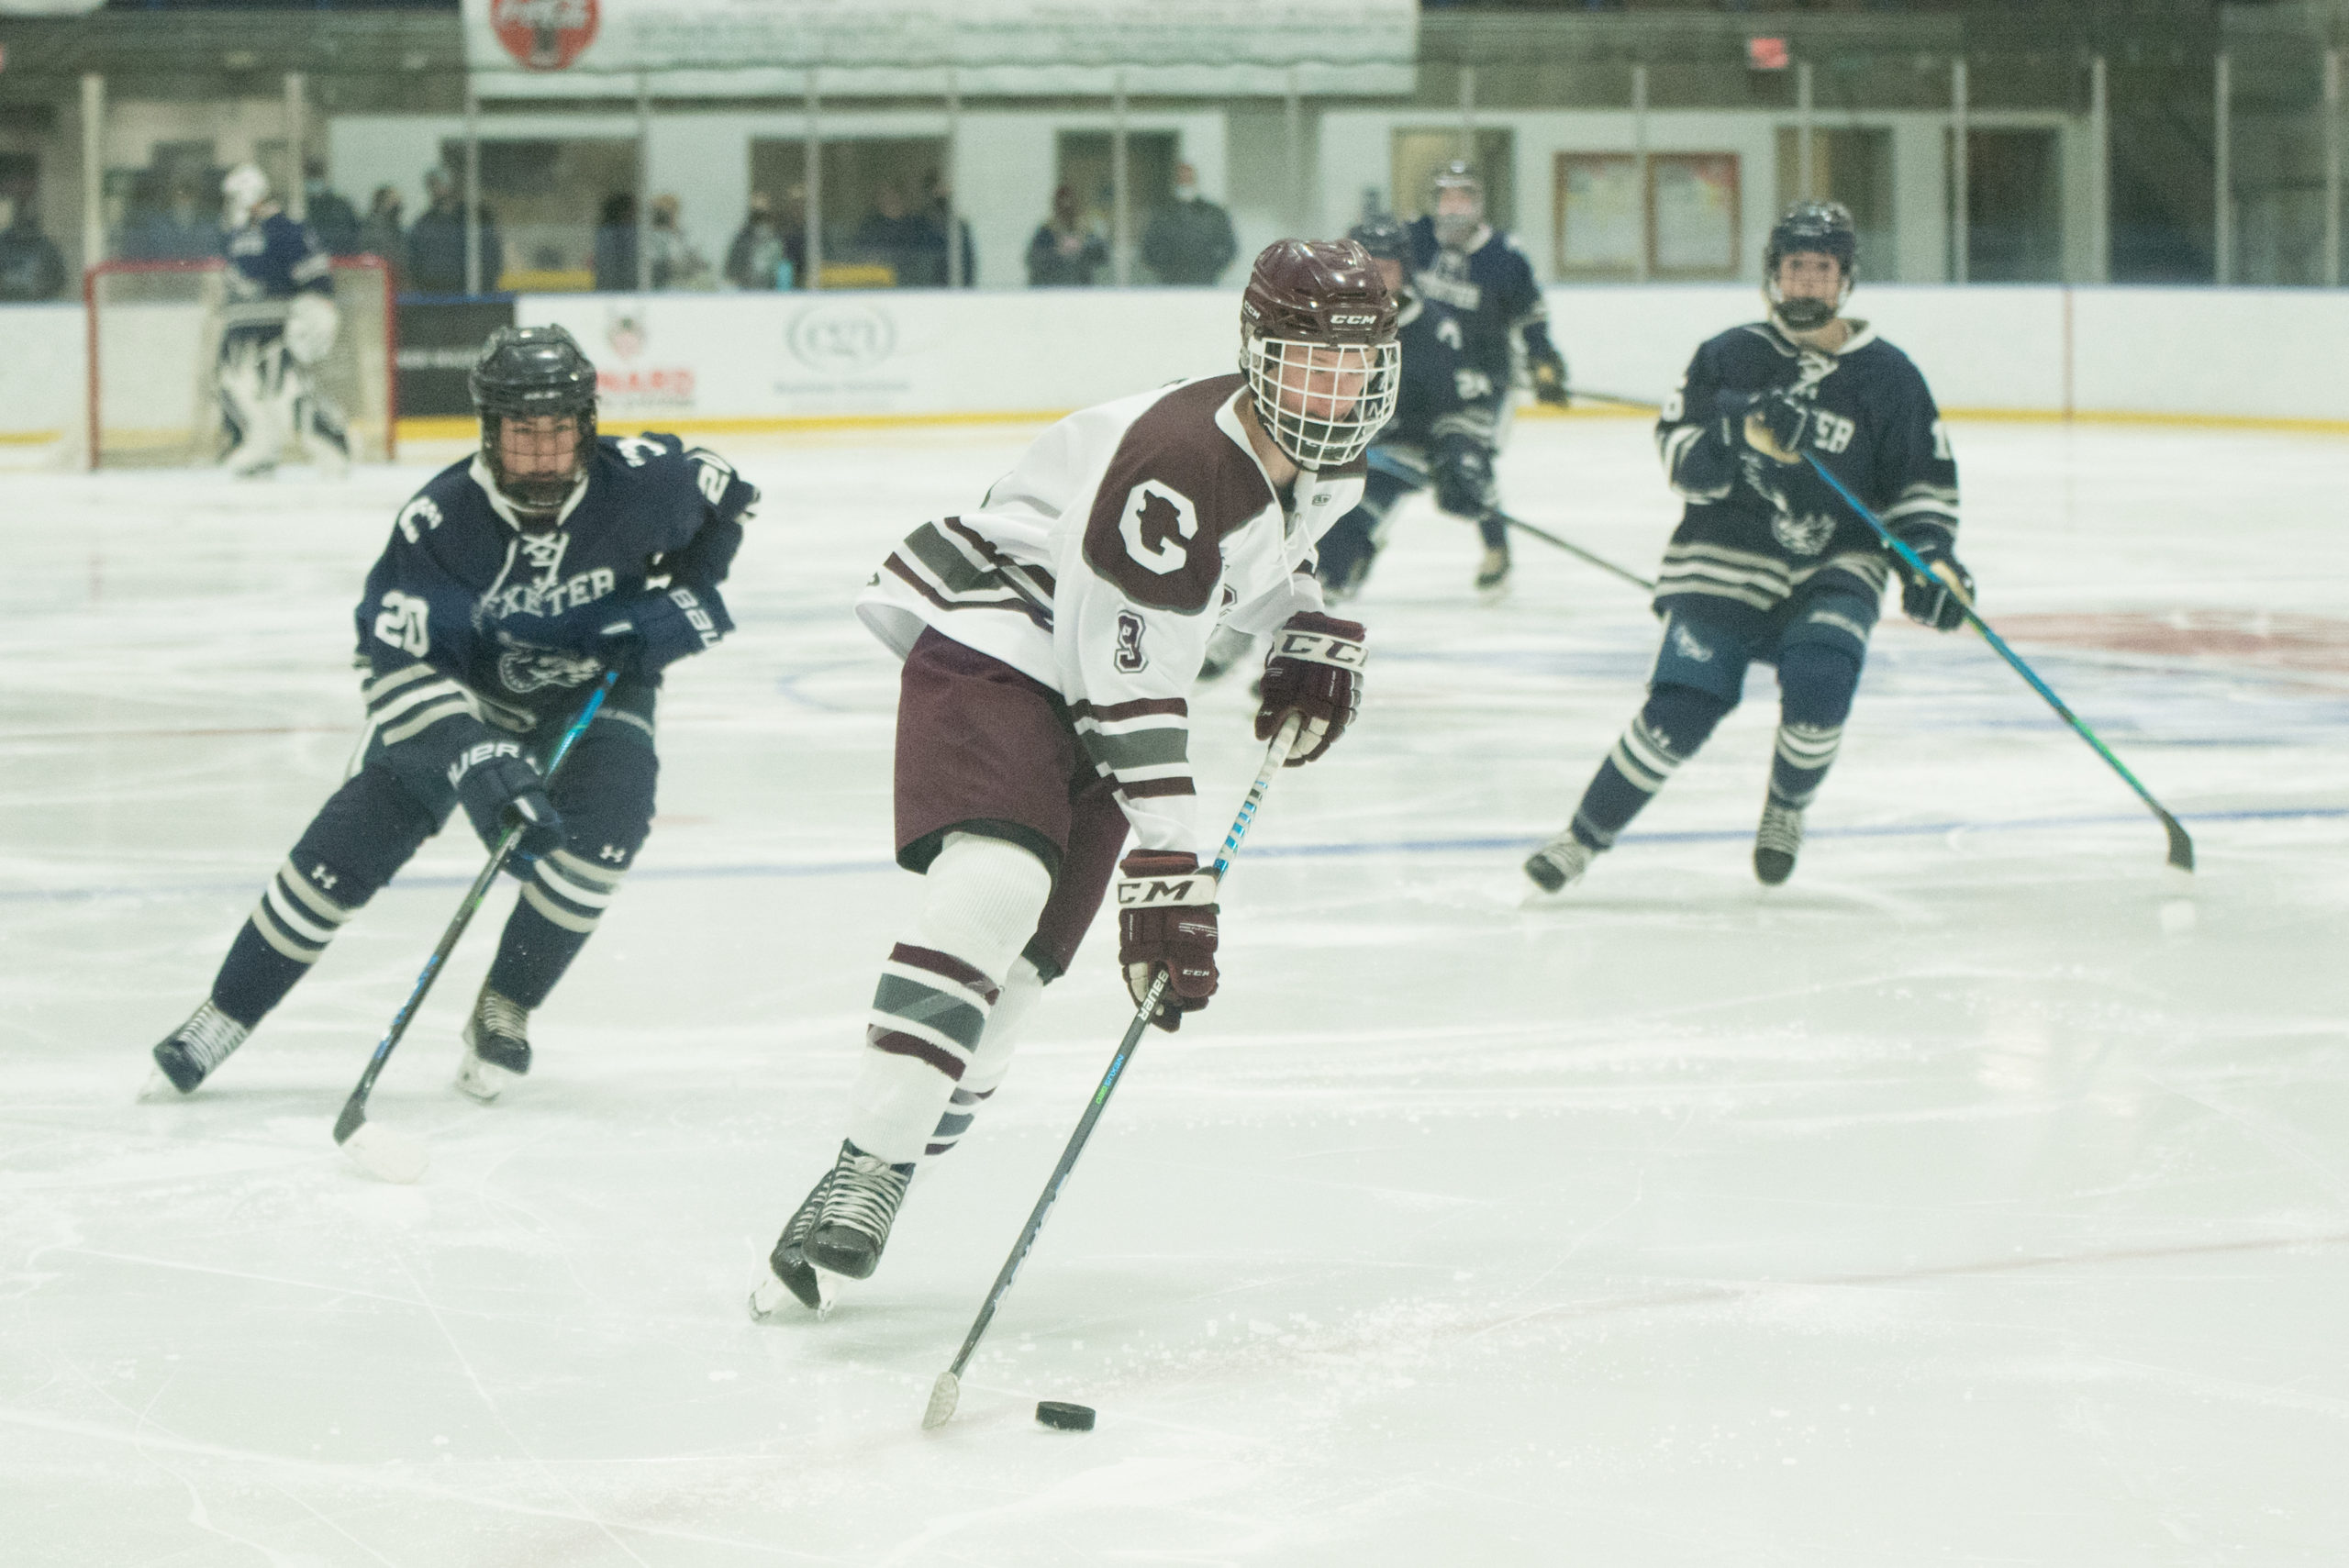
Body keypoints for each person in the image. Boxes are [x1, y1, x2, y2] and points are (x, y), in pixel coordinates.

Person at [749, 239, 1397, 1317]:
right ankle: (868, 1163)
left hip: (1098, 673)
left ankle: (874, 1171)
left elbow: (1249, 570)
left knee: (1019, 981)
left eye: (1355, 364)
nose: (1334, 389)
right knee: (996, 886)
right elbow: (1120, 676)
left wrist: (1306, 623)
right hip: (1002, 644)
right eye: (1309, 362)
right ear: (1258, 354)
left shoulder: (1328, 468)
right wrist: (1170, 858)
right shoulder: (1177, 457)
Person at [145, 326, 759, 1105]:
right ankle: (224, 1014)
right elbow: (395, 662)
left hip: (591, 689)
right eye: (523, 435)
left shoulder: (647, 481)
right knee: (345, 850)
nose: (543, 457)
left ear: (587, 426)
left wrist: (684, 600)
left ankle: (506, 1004)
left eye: (559, 434)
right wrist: (475, 753)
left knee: (608, 831)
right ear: (489, 431)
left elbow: (729, 499)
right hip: (462, 698)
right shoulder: (442, 523)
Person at [1522, 201, 1971, 894]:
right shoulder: (1729, 355)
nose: (1807, 281)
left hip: (1836, 560)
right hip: (1724, 553)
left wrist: (1930, 560)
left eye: (1822, 268)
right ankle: (1581, 838)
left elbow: (1920, 486)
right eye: (1795, 267)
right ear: (1773, 274)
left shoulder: (1890, 377)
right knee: (1681, 707)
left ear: (1845, 279)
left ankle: (1786, 807)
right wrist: (1741, 436)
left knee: (1821, 682)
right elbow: (1680, 459)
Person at [1315, 213, 1510, 600]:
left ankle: (1495, 544)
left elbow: (1455, 408)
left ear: (1406, 271)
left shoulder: (1434, 328)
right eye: (1364, 269)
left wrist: (1456, 452)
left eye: (1385, 268)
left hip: (1407, 444)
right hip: (1346, 442)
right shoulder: (1325, 322)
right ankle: (1344, 559)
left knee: (1350, 514)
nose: (1374, 279)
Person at [1404, 161, 1570, 594]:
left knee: (1468, 461)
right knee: (1387, 460)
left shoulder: (1505, 257)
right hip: (1420, 378)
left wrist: (1543, 361)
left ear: (1479, 204)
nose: (1454, 207)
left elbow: (1531, 318)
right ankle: (1350, 551)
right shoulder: (1413, 240)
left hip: (1480, 382)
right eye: (1447, 197)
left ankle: (1496, 547)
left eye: (1464, 197)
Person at [214, 163, 350, 477]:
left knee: (284, 392)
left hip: (273, 328)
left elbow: (317, 279)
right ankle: (261, 448)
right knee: (238, 388)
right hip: (242, 328)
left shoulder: (284, 229)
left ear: (249, 195)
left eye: (234, 197)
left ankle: (330, 445)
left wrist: (316, 312)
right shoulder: (238, 233)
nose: (229, 205)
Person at [406, 168, 504, 295]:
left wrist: (487, 282)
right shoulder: (423, 224)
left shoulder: (475, 216)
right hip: (435, 294)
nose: (438, 189)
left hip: (475, 291)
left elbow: (492, 252)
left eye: (441, 184)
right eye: (433, 185)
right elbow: (415, 261)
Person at [1141, 162, 1237, 285]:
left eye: (1188, 178)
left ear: (1195, 179)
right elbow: (1149, 248)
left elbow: (1229, 247)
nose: (1185, 182)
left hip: (1204, 282)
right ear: (1175, 181)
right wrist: (1165, 268)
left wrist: (1210, 269)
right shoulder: (1161, 213)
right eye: (1181, 179)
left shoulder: (1215, 213)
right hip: (1170, 282)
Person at [1024, 184, 1108, 287]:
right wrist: (1057, 252)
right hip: (1051, 289)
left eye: (1070, 206)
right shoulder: (1045, 232)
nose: (1066, 211)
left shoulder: (1086, 232)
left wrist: (1082, 248)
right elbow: (1031, 259)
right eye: (1062, 207)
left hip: (1081, 289)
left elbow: (1103, 257)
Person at [0, 192, 67, 302]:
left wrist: (43, 291)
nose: (25, 216)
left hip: (38, 307)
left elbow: (59, 279)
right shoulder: (2, 245)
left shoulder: (46, 247)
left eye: (30, 212)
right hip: (5, 306)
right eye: (21, 212)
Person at [724, 192, 790, 289]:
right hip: (748, 292)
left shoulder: (778, 240)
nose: (761, 222)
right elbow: (731, 273)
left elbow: (785, 270)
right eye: (757, 216)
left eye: (764, 215)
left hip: (773, 293)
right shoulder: (743, 240)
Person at [645, 194, 708, 290]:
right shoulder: (643, 239)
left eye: (669, 212)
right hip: (653, 288)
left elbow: (699, 265)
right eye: (660, 212)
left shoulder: (686, 237)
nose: (664, 216)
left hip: (680, 289)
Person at [302, 159, 362, 256]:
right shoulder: (342, 202)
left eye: (316, 177)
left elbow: (355, 230)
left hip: (338, 256)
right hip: (333, 255)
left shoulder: (341, 203)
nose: (314, 182)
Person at [356, 185, 406, 291]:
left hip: (397, 282)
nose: (398, 204)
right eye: (393, 200)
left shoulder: (396, 228)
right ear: (382, 202)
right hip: (380, 282)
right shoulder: (373, 226)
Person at [592, 191, 638, 292]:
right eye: (632, 210)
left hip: (620, 287)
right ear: (622, 211)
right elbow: (607, 263)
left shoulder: (605, 232)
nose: (634, 214)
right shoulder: (610, 233)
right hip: (617, 288)